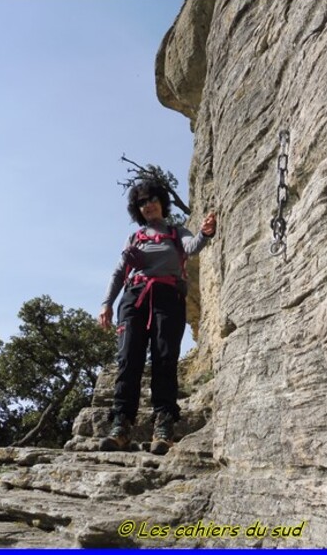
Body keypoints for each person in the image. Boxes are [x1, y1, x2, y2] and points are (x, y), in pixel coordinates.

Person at [98, 179, 216, 455]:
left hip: (168, 296)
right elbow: (118, 273)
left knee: (165, 358)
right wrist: (106, 304)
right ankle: (121, 426)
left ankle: (163, 427)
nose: (147, 205)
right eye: (141, 202)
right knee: (128, 360)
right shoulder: (134, 238)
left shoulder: (177, 233)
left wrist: (206, 233)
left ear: (162, 202)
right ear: (137, 209)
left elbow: (192, 247)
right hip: (134, 298)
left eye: (152, 199)